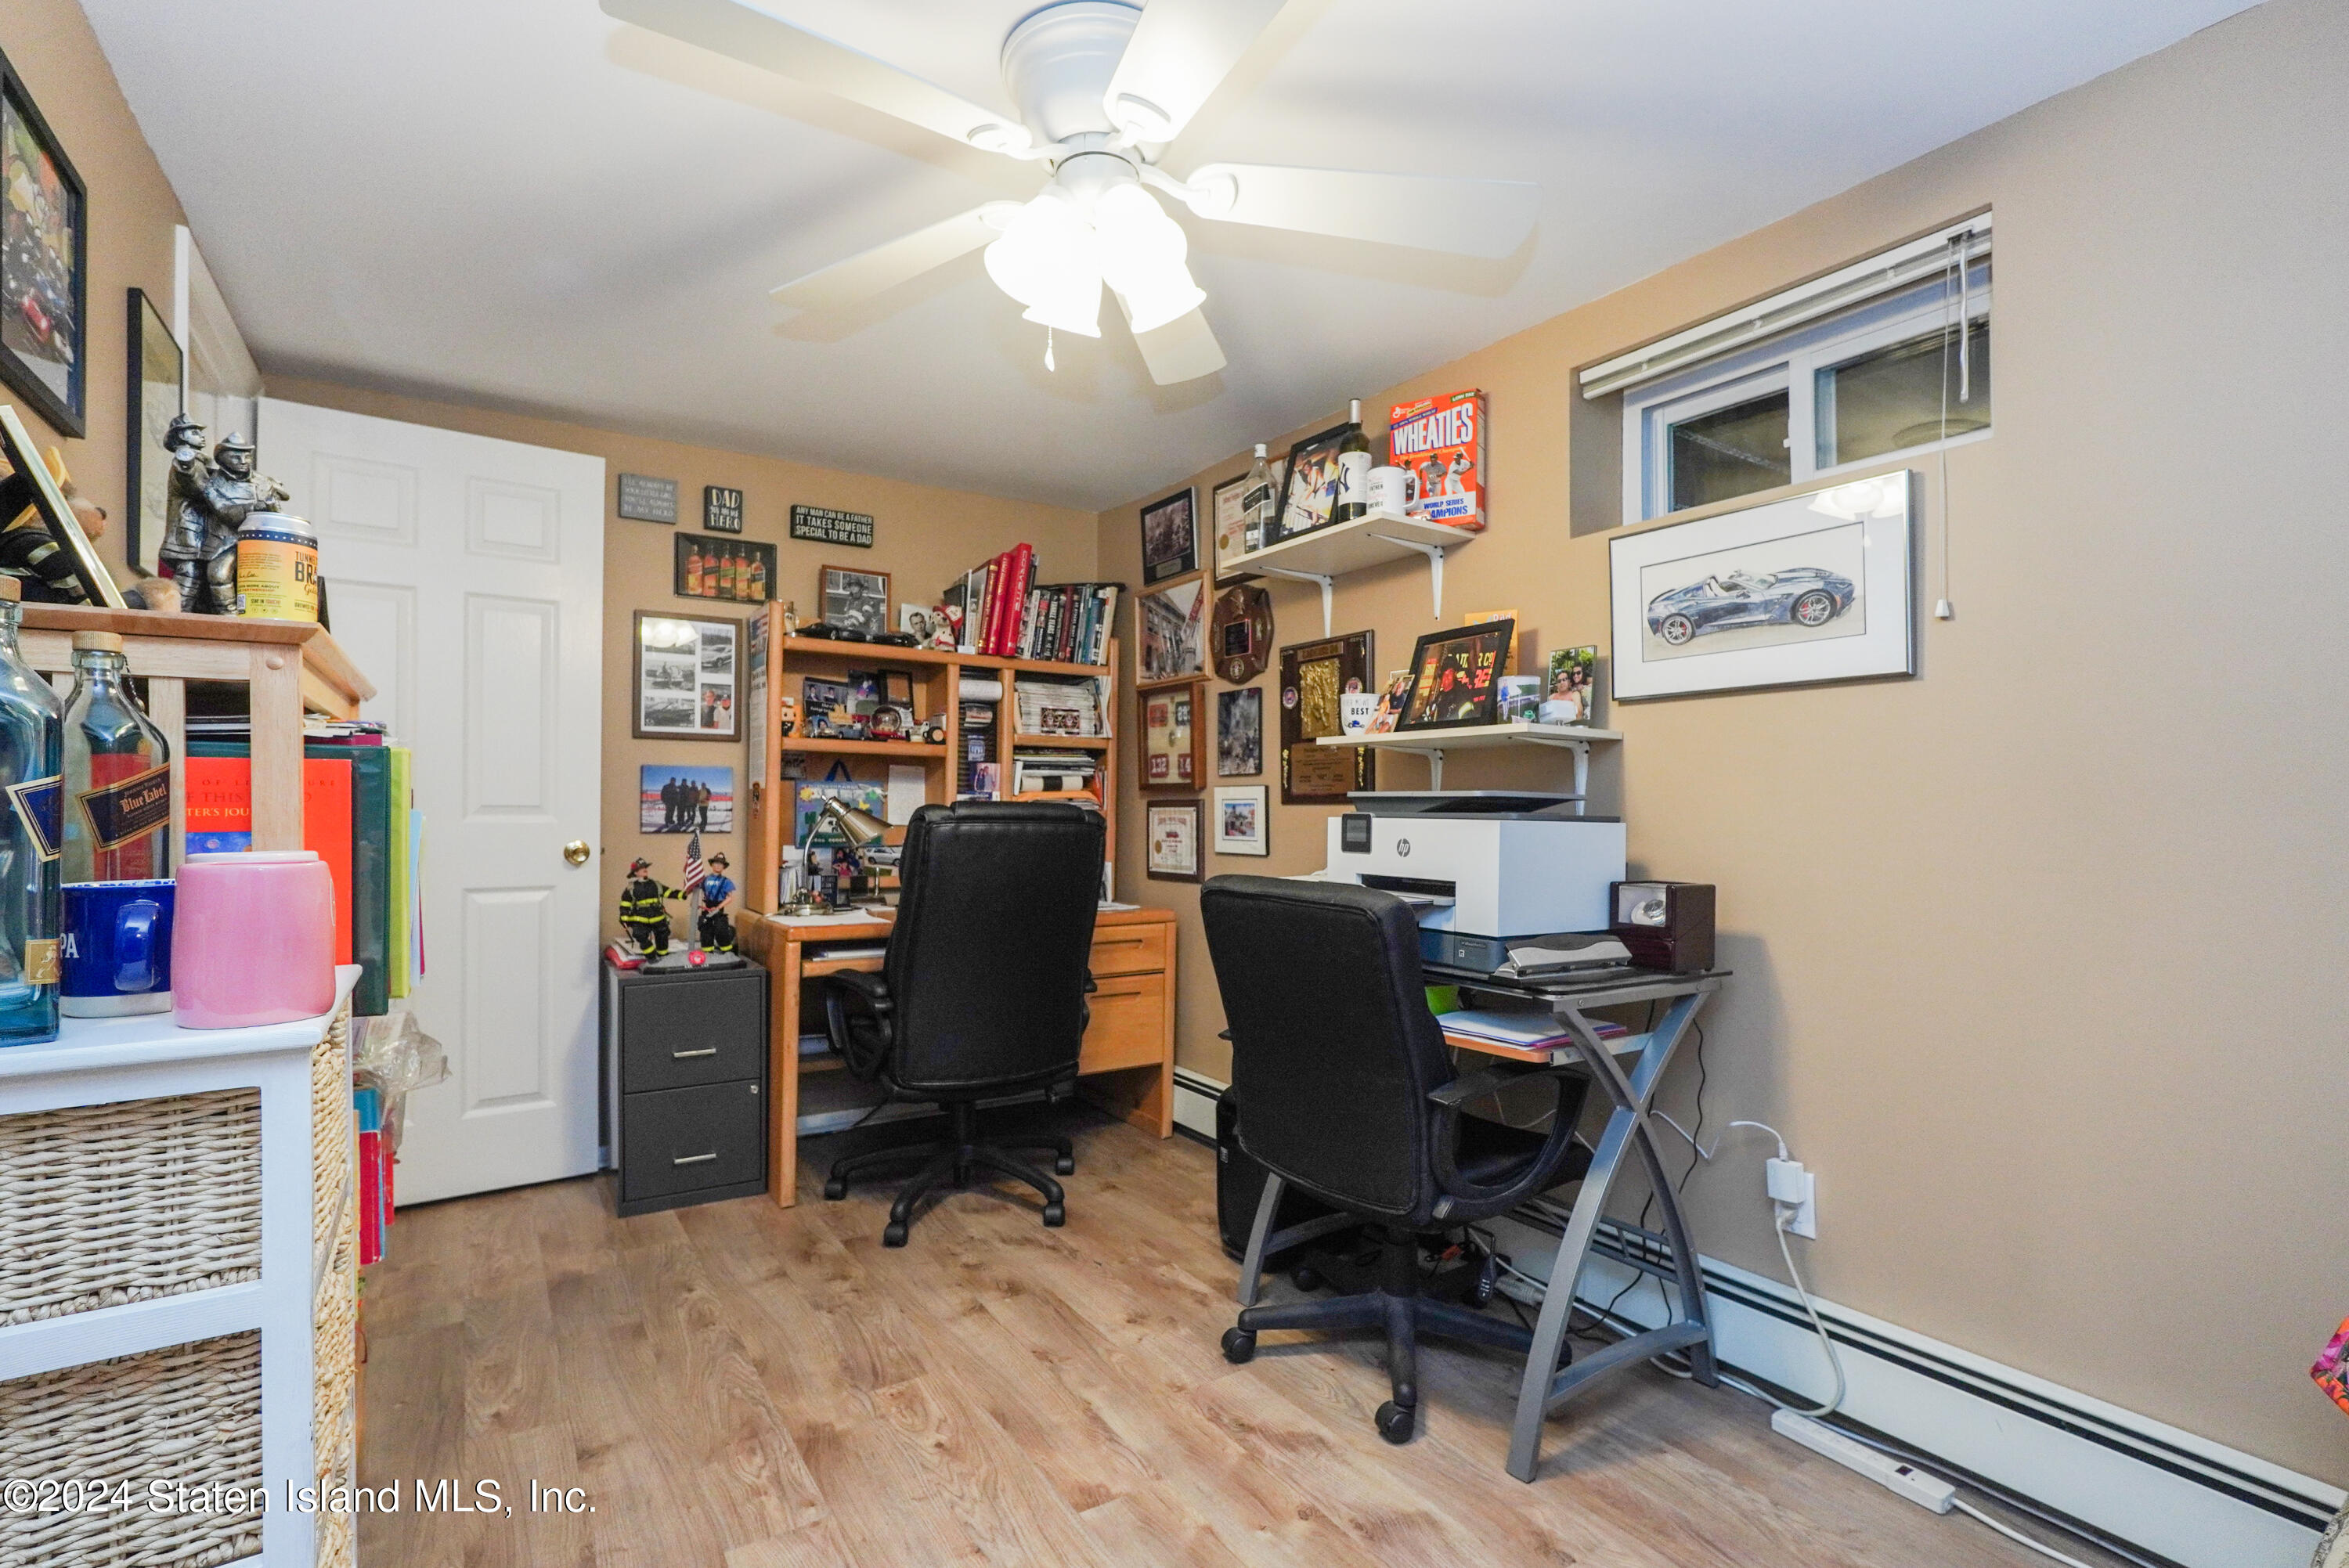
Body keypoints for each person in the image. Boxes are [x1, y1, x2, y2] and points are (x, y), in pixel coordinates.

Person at [617, 858, 681, 959]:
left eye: (645, 867)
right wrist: (624, 917)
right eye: (641, 868)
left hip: (657, 917)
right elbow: (625, 903)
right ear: (636, 873)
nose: (645, 869)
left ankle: (663, 956)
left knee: (662, 936)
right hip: (640, 918)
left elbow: (669, 893)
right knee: (640, 935)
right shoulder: (631, 888)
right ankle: (651, 957)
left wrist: (684, 894)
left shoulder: (655, 885)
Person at [696, 852, 738, 953]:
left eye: (721, 864)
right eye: (716, 863)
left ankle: (727, 953)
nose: (718, 865)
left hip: (718, 911)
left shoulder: (726, 881)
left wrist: (718, 907)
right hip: (707, 910)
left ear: (724, 867)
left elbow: (730, 897)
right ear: (712, 864)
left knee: (721, 931)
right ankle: (707, 952)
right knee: (706, 932)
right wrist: (700, 904)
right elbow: (701, 893)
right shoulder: (704, 880)